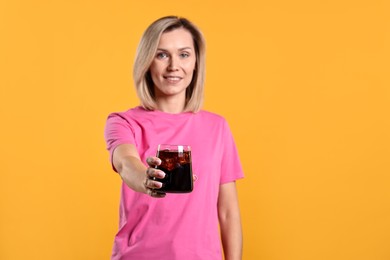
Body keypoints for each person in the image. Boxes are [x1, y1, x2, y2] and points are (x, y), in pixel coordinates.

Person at [104, 16, 244, 260]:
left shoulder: (217, 127)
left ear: (196, 63)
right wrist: (146, 179)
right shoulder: (123, 122)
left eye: (184, 54)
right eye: (162, 55)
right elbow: (126, 162)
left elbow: (228, 212)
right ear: (147, 62)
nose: (173, 66)